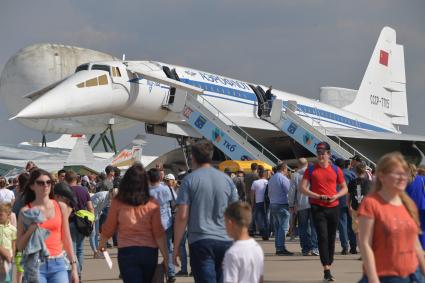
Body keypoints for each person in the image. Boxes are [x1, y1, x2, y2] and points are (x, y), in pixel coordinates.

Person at [173, 140, 239, 282]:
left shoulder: (189, 180)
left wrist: (176, 245)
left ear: (193, 158)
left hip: (200, 241)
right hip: (225, 240)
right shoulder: (227, 180)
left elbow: (182, 216)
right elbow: (236, 213)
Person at [358, 152, 425, 283]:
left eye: (404, 173)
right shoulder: (371, 203)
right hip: (385, 275)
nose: (403, 177)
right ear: (382, 176)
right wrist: (373, 278)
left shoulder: (407, 204)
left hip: (413, 275)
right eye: (397, 173)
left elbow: (415, 244)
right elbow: (365, 243)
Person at [99, 163, 167, 283]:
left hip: (127, 251)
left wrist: (102, 244)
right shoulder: (152, 203)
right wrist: (166, 257)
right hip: (149, 251)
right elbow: (158, 232)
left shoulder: (118, 202)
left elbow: (109, 227)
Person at [17, 168, 78, 283]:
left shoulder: (61, 206)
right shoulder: (25, 211)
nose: (45, 185)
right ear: (32, 186)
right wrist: (30, 230)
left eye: (48, 182)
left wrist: (74, 267)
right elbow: (19, 246)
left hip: (59, 263)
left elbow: (66, 238)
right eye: (40, 183)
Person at [300, 142, 348, 281]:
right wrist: (318, 196)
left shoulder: (336, 169)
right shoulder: (311, 169)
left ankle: (329, 263)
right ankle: (326, 269)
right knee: (322, 236)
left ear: (329, 154)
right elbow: (302, 188)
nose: (320, 155)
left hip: (334, 206)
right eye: (319, 153)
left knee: (331, 237)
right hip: (317, 207)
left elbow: (344, 188)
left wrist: (336, 196)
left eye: (323, 152)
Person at [222, 201, 264, 283]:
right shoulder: (257, 248)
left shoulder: (232, 253)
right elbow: (260, 278)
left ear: (230, 223)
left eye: (225, 222)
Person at [148, 168, 175, 283]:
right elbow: (176, 201)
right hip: (166, 222)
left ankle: (152, 274)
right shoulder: (167, 189)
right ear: (160, 178)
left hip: (152, 225)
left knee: (152, 250)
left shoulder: (145, 191)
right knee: (168, 249)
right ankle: (171, 273)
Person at [65, 170, 94, 279]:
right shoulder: (84, 190)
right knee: (80, 249)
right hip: (82, 222)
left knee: (71, 249)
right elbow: (90, 207)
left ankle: (74, 272)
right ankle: (79, 272)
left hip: (70, 221)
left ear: (65, 179)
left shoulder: (66, 191)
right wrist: (91, 220)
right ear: (77, 179)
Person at [289, 158, 319, 256]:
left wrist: (291, 204)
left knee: (303, 227)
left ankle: (305, 249)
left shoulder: (295, 175)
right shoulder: (314, 173)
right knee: (314, 226)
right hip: (314, 202)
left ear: (298, 164)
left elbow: (292, 191)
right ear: (307, 164)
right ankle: (315, 248)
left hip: (302, 204)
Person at [268, 162, 293, 255]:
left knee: (278, 227)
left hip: (273, 203)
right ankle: (280, 248)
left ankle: (278, 247)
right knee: (284, 227)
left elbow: (269, 192)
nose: (287, 171)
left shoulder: (272, 178)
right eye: (287, 169)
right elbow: (289, 191)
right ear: (284, 169)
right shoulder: (283, 178)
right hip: (282, 204)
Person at [347, 163, 370, 254]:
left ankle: (361, 251)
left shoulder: (351, 183)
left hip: (356, 209)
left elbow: (348, 197)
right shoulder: (370, 183)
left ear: (356, 172)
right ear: (365, 171)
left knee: (358, 232)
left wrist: (349, 207)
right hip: (367, 209)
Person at [334, 158, 356, 255]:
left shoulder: (335, 174)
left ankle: (345, 247)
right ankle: (353, 246)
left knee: (342, 225)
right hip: (351, 201)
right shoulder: (352, 174)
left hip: (340, 201)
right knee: (352, 225)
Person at [406, 164, 425, 250]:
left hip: (409, 208)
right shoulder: (422, 179)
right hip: (422, 206)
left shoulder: (406, 180)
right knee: (422, 229)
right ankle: (422, 249)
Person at [250, 166, 269, 241]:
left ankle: (263, 233)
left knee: (259, 219)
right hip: (267, 202)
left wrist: (252, 203)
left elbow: (252, 193)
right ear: (265, 175)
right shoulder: (267, 182)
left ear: (259, 175)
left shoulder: (255, 182)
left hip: (258, 202)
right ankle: (266, 233)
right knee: (266, 218)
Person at [0, 203, 16, 283]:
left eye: (1, 215)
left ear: (8, 215)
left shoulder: (12, 229)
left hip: (8, 257)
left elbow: (13, 243)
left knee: (7, 278)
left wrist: (13, 254)